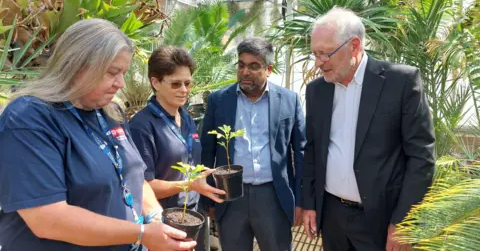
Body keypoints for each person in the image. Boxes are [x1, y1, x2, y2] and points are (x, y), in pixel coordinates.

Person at [0, 19, 196, 251]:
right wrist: (141, 233)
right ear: (76, 65)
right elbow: (48, 219)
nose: (120, 83)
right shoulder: (30, 118)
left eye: (123, 72)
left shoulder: (111, 112)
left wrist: (155, 217)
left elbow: (134, 177)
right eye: (113, 72)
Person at [302, 7, 436, 251]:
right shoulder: (317, 90)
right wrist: (310, 203)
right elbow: (312, 150)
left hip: (381, 220)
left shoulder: (401, 82)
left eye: (325, 54)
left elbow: (421, 158)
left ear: (354, 46)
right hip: (332, 216)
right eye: (315, 54)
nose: (319, 63)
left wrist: (404, 222)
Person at [201, 37, 306, 251]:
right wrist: (208, 197)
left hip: (273, 197)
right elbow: (207, 151)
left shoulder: (289, 100)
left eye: (253, 66)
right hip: (230, 198)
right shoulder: (218, 100)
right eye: (241, 65)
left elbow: (302, 153)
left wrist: (301, 200)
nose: (245, 71)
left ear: (269, 69)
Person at [129, 46, 225, 250]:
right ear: (155, 82)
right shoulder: (142, 125)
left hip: (192, 216)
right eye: (176, 84)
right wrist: (189, 185)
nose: (184, 90)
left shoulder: (187, 118)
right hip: (163, 223)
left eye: (188, 83)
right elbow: (142, 186)